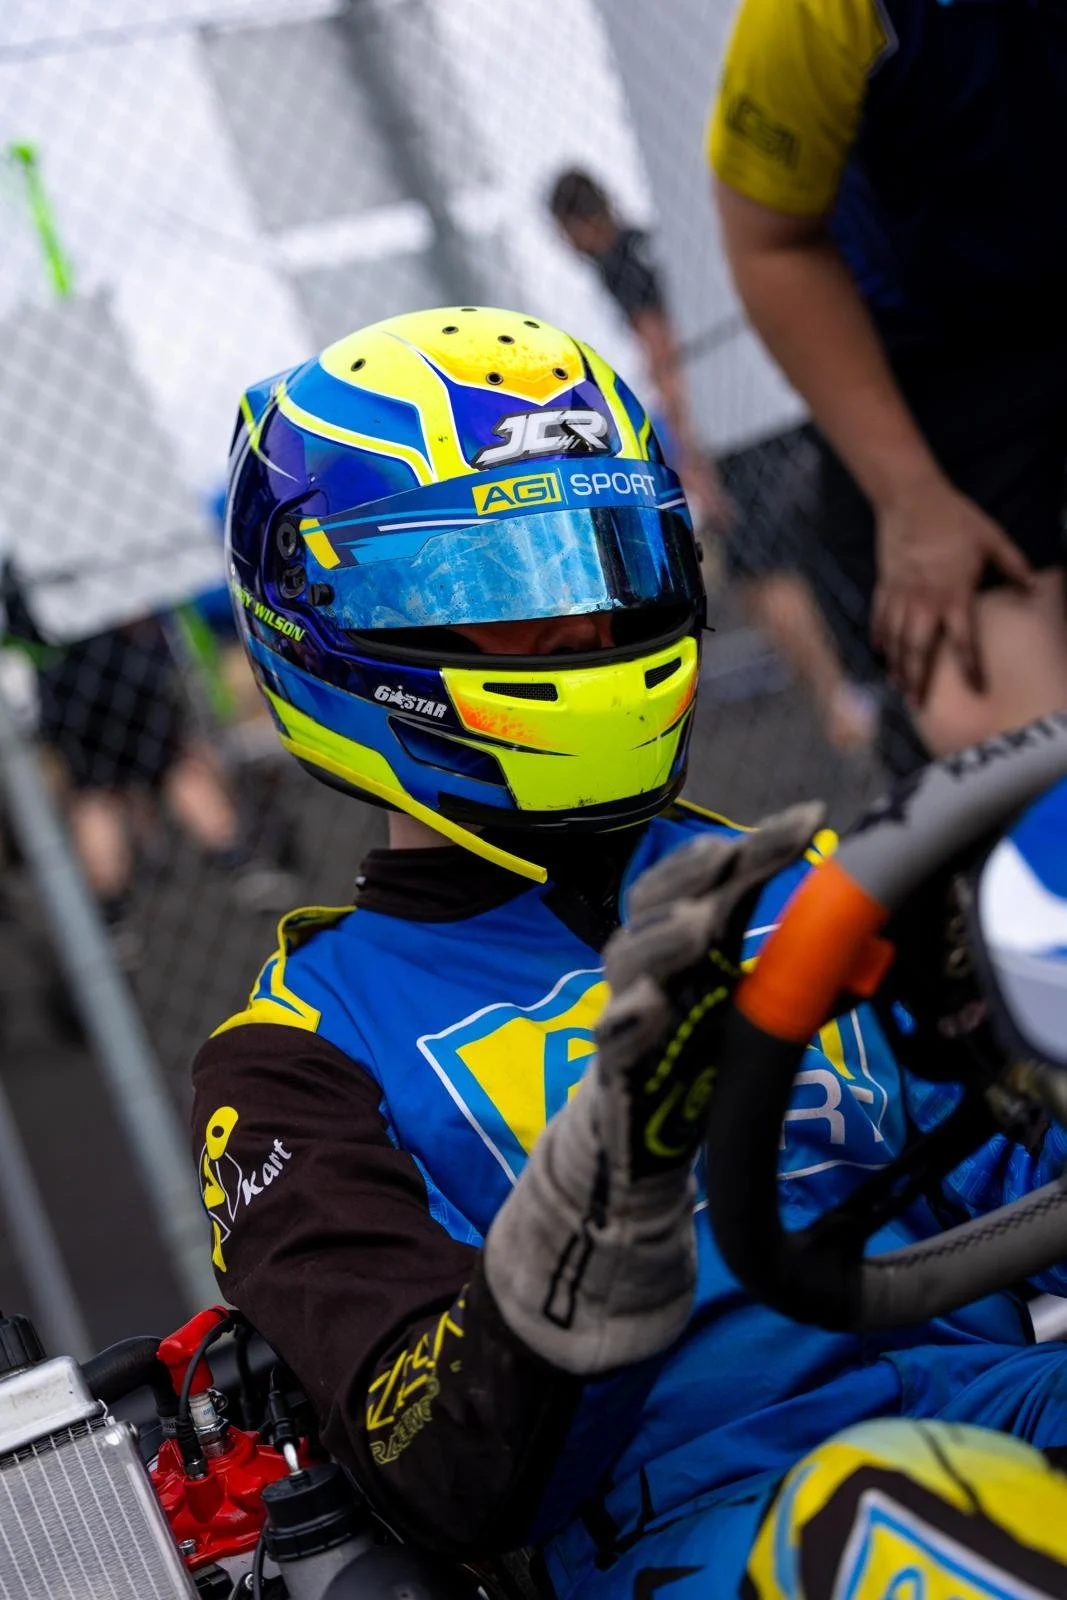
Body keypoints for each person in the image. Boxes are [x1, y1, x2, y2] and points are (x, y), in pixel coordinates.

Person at [192, 308, 1067, 1600]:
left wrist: (1017, 1041)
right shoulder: (297, 1059)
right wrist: (607, 1180)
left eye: (601, 564)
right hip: (702, 1528)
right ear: (328, 619)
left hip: (1007, 1414)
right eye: (494, 593)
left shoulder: (813, 883)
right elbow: (434, 1466)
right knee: (895, 1536)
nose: (578, 624)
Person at [707, 0, 1067, 772]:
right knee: (996, 736)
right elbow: (769, 239)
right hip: (943, 347)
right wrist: (914, 504)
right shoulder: (820, 13)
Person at [550, 169, 874, 752]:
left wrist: (690, 456)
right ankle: (853, 688)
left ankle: (842, 702)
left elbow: (665, 353)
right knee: (791, 555)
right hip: (768, 407)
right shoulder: (657, 241)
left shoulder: (618, 262)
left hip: (726, 434)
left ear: (577, 226)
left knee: (760, 571)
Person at [36, 617, 297, 963]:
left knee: (98, 793)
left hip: (63, 668)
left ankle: (116, 916)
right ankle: (240, 864)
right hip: (115, 658)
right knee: (169, 768)